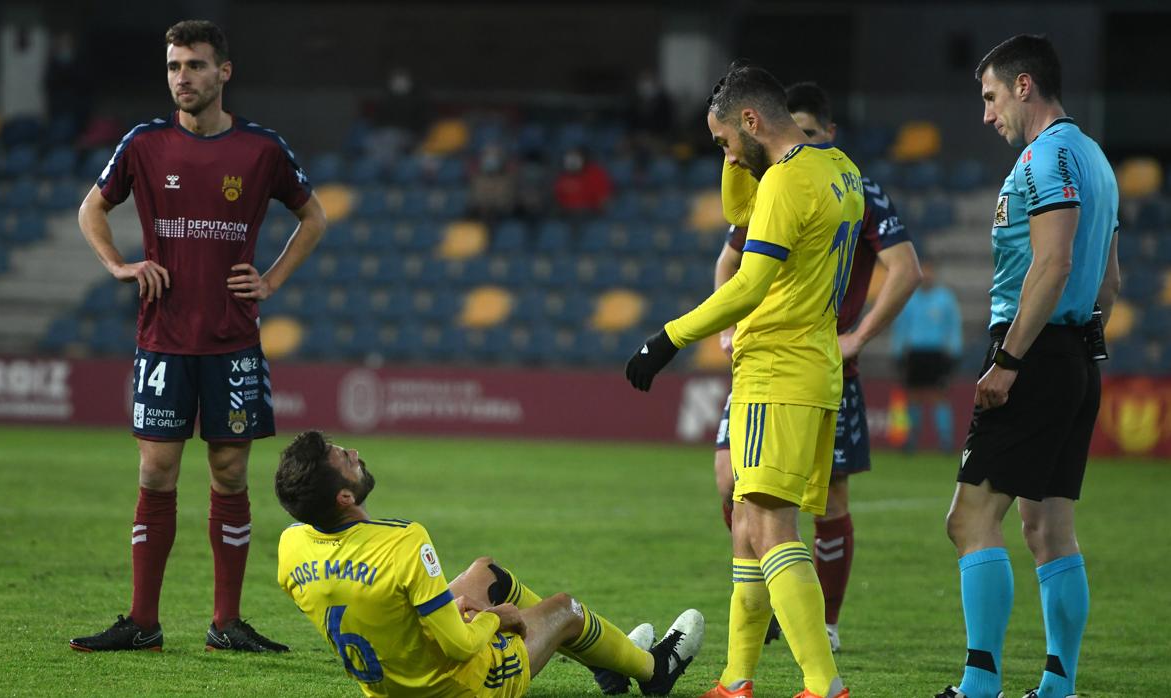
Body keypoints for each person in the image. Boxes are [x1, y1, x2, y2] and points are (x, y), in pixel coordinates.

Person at [69, 20, 327, 653]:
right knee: (156, 470)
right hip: (162, 336)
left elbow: (312, 215)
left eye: (195, 65)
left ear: (223, 72)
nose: (182, 77)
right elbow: (91, 207)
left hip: (232, 339)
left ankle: (226, 623)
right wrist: (119, 265)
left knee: (229, 472)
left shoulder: (262, 149)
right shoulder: (144, 143)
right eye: (173, 66)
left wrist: (270, 281)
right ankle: (142, 622)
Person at [625, 62, 861, 698]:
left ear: (753, 122)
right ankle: (737, 679)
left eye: (727, 142)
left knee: (771, 529)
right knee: (751, 528)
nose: (726, 155)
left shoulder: (787, 184)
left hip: (775, 370)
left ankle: (823, 685)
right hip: (814, 369)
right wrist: (736, 155)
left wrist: (667, 338)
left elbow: (750, 283)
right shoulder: (839, 169)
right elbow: (740, 208)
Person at [709, 80, 922, 664]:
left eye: (808, 134)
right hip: (765, 358)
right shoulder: (770, 178)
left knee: (822, 502)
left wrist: (858, 337)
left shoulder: (855, 187)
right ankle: (760, 640)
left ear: (827, 135)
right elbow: (732, 253)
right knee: (732, 482)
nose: (796, 144)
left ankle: (821, 627)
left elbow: (906, 270)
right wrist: (729, 323)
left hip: (813, 360)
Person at [936, 34, 1120, 698]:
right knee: (1048, 527)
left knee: (969, 518)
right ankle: (1057, 687)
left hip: (1034, 353)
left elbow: (1056, 261)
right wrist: (1070, 349)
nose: (987, 114)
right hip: (1075, 355)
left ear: (1022, 86)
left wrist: (1011, 359)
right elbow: (1109, 282)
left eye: (990, 96)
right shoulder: (1097, 159)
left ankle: (979, 687)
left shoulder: (1049, 157)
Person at [273, 430, 704, 698]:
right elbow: (460, 646)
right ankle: (655, 670)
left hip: (391, 685)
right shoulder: (403, 541)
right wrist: (495, 620)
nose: (354, 451)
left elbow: (369, 608)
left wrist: (436, 619)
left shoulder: (291, 546)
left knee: (486, 573)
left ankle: (608, 663)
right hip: (459, 688)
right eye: (345, 458)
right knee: (565, 609)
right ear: (344, 498)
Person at [891, 260, 963, 452]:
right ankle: (911, 441)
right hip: (914, 353)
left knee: (939, 396)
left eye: (930, 271)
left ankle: (946, 442)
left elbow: (953, 327)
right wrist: (898, 352)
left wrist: (954, 353)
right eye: (924, 271)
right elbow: (901, 327)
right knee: (913, 397)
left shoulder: (945, 298)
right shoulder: (910, 298)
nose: (927, 275)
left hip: (936, 354)